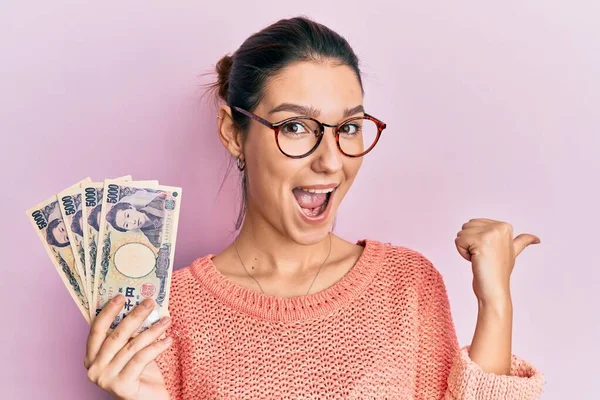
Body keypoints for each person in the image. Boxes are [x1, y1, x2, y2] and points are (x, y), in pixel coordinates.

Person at [83, 16, 544, 399]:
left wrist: (495, 303)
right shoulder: (165, 314)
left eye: (348, 127)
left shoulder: (407, 284)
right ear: (232, 132)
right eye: (297, 127)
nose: (330, 160)